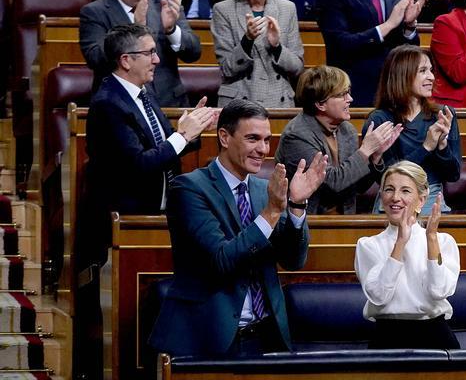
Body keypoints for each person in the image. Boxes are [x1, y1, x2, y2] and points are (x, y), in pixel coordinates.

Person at [147, 100, 328, 358]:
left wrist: (297, 206)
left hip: (265, 337)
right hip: (210, 339)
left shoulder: (262, 189)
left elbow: (293, 259)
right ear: (224, 137)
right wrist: (272, 212)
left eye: (266, 140)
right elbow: (222, 260)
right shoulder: (190, 188)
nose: (263, 149)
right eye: (253, 139)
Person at [85, 23, 217, 227]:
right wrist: (182, 137)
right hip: (129, 219)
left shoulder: (144, 92)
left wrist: (194, 129)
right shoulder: (108, 104)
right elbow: (139, 164)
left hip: (161, 208)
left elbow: (163, 147)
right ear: (126, 60)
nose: (157, 59)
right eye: (150, 53)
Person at [354, 161, 460, 349]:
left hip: (435, 334)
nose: (395, 198)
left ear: (421, 199)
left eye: (405, 191)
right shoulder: (368, 245)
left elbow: (439, 291)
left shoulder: (443, 242)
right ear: (381, 196)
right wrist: (400, 242)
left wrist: (431, 238)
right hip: (387, 336)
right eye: (389, 189)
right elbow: (379, 296)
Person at [80, 0, 202, 106]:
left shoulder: (164, 4)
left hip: (168, 103)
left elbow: (194, 53)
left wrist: (171, 30)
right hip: (119, 106)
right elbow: (96, 59)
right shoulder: (95, 12)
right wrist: (135, 28)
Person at [278, 65, 398, 215]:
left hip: (344, 219)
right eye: (343, 95)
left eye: (348, 92)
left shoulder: (347, 130)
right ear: (320, 104)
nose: (350, 99)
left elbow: (357, 185)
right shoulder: (297, 136)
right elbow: (332, 183)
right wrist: (365, 150)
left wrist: (375, 156)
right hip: (309, 222)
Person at [364, 47, 461, 213]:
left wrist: (442, 147)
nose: (431, 77)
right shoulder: (380, 119)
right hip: (392, 203)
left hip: (430, 199)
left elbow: (453, 175)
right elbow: (388, 178)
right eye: (423, 71)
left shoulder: (443, 114)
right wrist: (426, 147)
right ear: (403, 75)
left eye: (431, 70)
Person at [211, 0, 304, 107]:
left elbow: (297, 68)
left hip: (279, 102)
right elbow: (227, 69)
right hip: (239, 104)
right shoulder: (224, 10)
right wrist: (247, 40)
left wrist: (277, 47)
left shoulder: (287, 8)